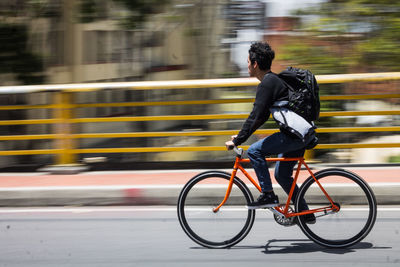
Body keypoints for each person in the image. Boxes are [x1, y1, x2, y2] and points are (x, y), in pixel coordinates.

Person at [225, 42, 316, 223]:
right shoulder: (272, 81)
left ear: (255, 64)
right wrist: (241, 136)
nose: (247, 66)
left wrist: (238, 141)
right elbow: (261, 117)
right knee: (281, 174)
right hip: (300, 134)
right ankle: (305, 213)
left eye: (248, 62)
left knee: (254, 151)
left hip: (294, 136)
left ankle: (268, 194)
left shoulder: (267, 83)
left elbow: (256, 115)